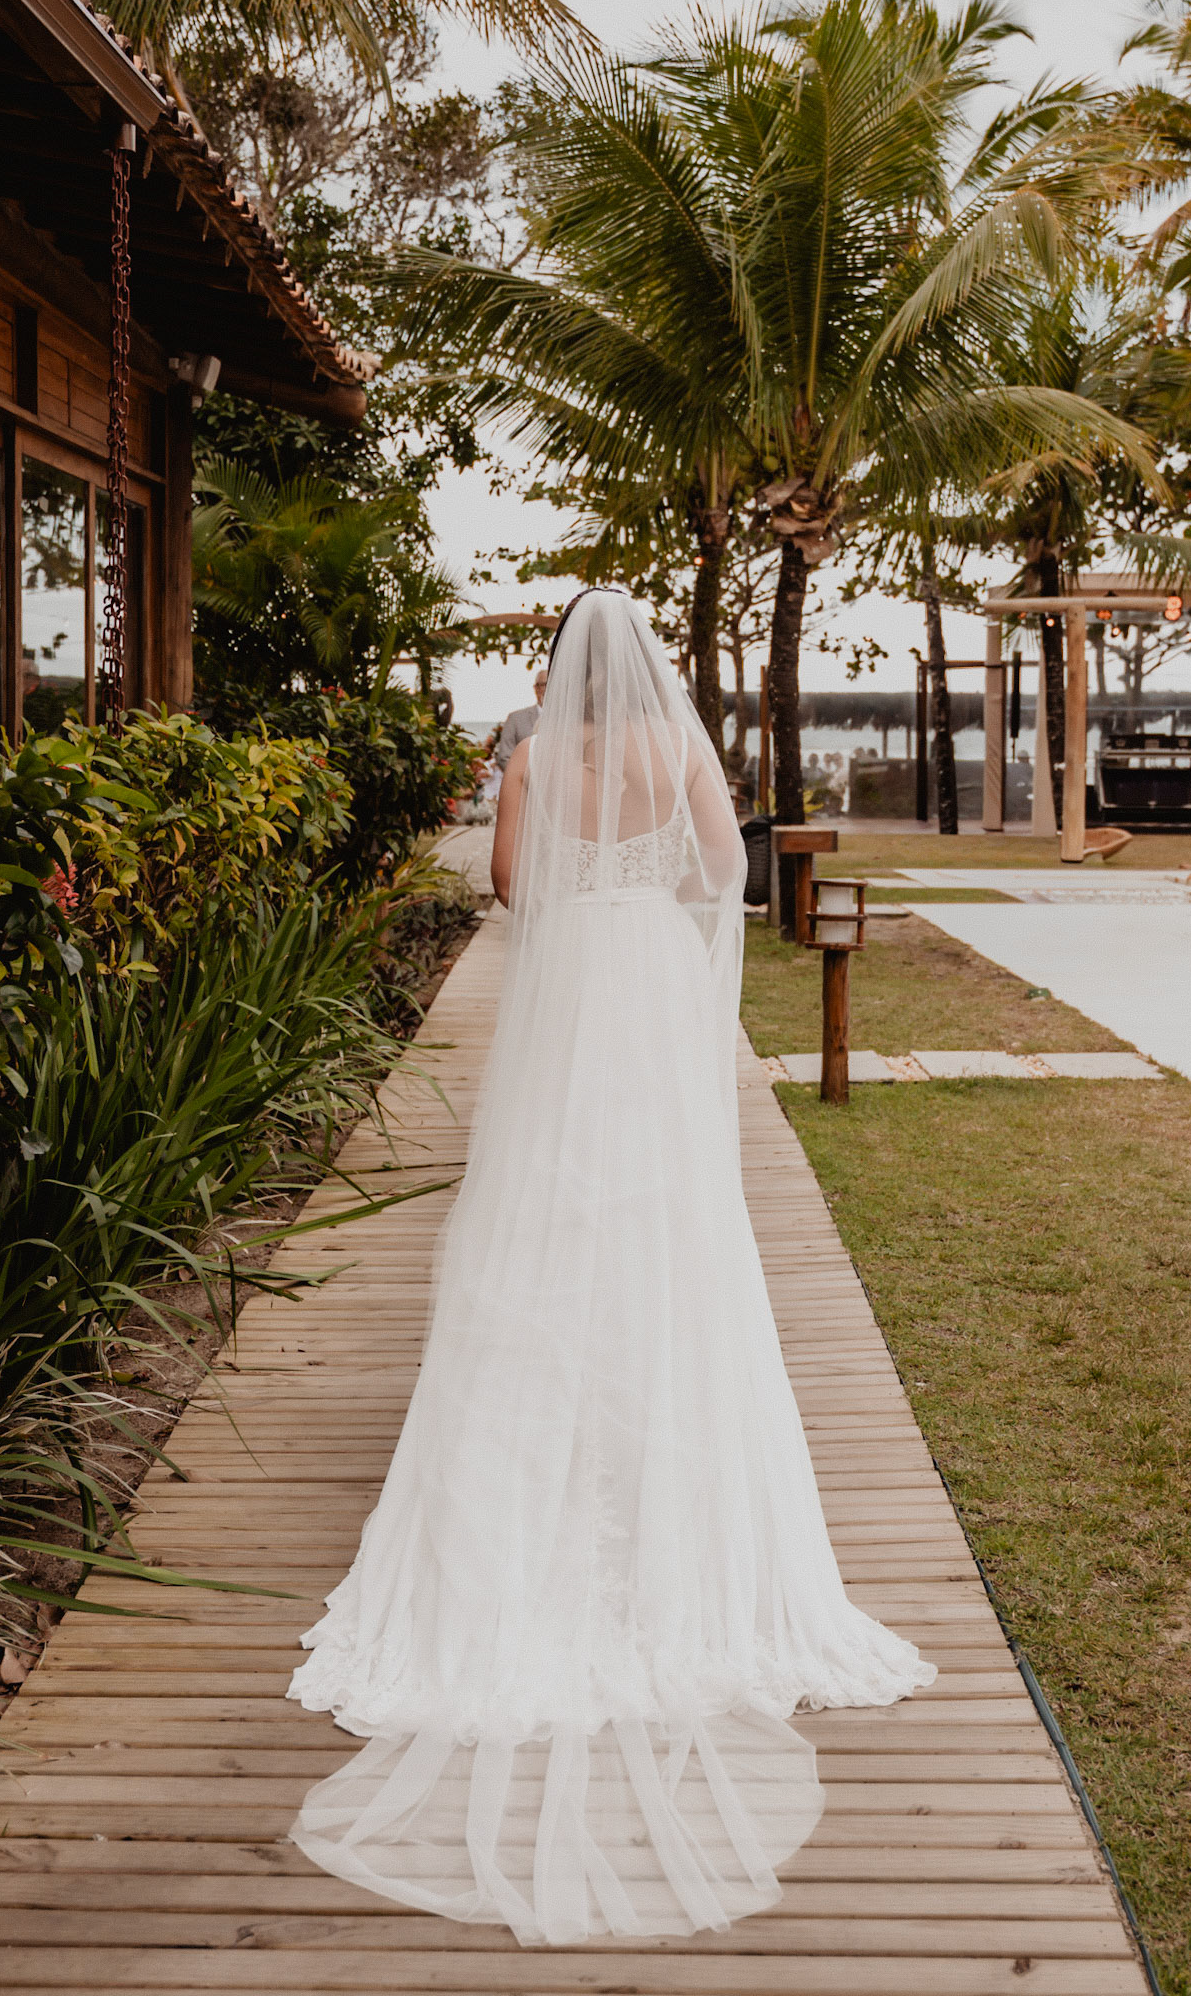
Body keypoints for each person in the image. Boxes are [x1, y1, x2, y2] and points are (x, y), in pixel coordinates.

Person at [286, 589, 933, 1945]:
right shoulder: (678, 749)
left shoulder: (531, 756)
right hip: (643, 982)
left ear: (557, 667)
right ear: (647, 667)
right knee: (666, 1211)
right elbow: (723, 875)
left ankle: (532, 1457)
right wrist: (649, 905)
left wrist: (582, 886)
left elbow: (511, 886)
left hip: (573, 983)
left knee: (544, 1203)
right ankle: (666, 1457)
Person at [493, 666, 546, 767]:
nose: (549, 688)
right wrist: (524, 779)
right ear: (536, 688)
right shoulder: (515, 719)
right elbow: (505, 756)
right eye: (545, 684)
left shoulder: (570, 721)